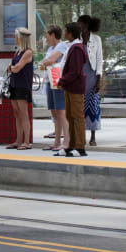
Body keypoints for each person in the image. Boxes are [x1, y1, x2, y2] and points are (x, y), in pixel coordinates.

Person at [57, 22, 88, 157]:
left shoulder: (76, 48)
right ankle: (71, 145)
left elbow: (75, 71)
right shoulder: (72, 47)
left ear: (71, 33)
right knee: (70, 116)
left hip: (75, 87)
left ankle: (80, 147)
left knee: (77, 117)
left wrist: (62, 81)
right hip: (70, 87)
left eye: (65, 31)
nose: (64, 33)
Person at [38, 24, 69, 152]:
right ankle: (56, 141)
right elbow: (43, 64)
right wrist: (45, 63)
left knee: (61, 112)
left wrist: (46, 63)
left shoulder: (61, 45)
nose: (45, 38)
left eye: (47, 35)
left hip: (57, 81)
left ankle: (66, 141)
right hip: (49, 81)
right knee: (54, 112)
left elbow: (49, 61)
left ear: (52, 35)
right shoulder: (51, 48)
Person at [78, 15, 104, 146]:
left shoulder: (96, 39)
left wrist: (98, 79)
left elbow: (99, 60)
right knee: (79, 106)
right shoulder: (76, 39)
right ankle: (80, 134)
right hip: (78, 75)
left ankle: (93, 135)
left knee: (92, 104)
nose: (79, 26)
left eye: (80, 23)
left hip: (91, 74)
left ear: (87, 24)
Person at [7, 27, 34, 150]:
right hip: (14, 83)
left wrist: (11, 68)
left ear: (21, 38)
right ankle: (18, 140)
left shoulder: (28, 52)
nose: (14, 38)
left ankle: (27, 141)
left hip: (23, 85)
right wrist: (12, 67)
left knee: (24, 114)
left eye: (15, 36)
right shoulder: (17, 51)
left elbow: (17, 68)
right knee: (17, 113)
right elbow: (14, 67)